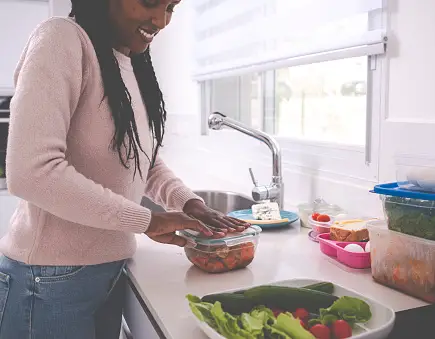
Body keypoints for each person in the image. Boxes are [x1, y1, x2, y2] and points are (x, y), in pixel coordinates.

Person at [0, 0, 250, 338]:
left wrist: (190, 202)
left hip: (107, 270)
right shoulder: (61, 39)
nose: (161, 21)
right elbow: (32, 172)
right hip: (48, 281)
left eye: (171, 8)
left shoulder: (129, 61)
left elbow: (139, 158)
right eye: (150, 2)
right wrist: (146, 219)